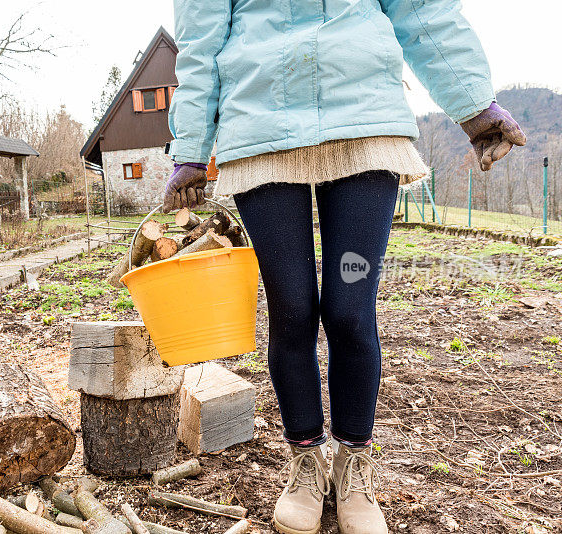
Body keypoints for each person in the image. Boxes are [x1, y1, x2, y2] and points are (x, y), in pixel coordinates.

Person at [162, 2, 526, 533]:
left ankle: (354, 462)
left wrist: (473, 102)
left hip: (366, 118)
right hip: (260, 126)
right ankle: (306, 461)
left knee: (350, 310)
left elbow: (421, 10)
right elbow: (200, 42)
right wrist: (191, 148)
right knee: (292, 308)